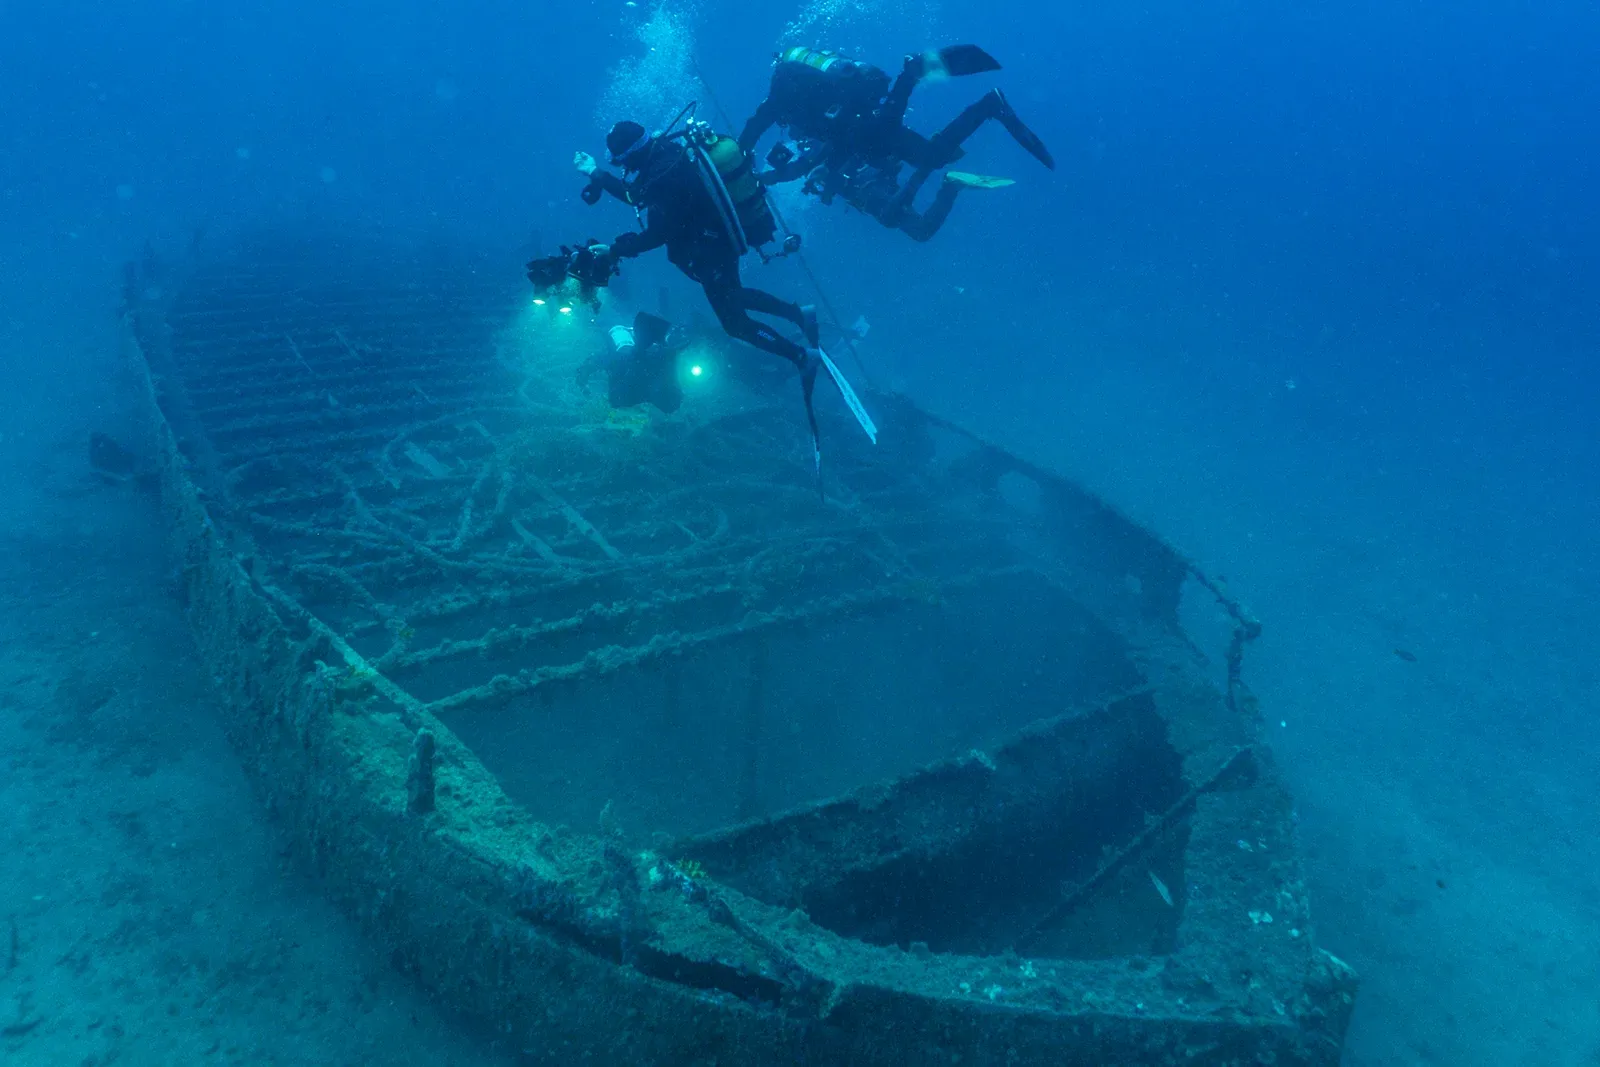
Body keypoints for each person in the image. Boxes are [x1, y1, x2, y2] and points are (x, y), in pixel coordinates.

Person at [574, 119, 821, 377]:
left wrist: (615, 250)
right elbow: (635, 194)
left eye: (622, 160)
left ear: (632, 154)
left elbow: (656, 232)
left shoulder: (661, 174)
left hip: (710, 249)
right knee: (734, 311)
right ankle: (800, 323)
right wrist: (596, 174)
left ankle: (802, 351)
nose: (623, 167)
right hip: (713, 243)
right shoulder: (665, 154)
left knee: (734, 316)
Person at [739, 44, 1054, 223]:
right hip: (868, 125)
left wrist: (742, 166)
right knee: (931, 155)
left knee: (919, 148)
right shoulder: (804, 95)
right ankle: (989, 104)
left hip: (866, 132)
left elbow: (756, 127)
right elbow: (833, 139)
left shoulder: (780, 102)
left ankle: (914, 74)